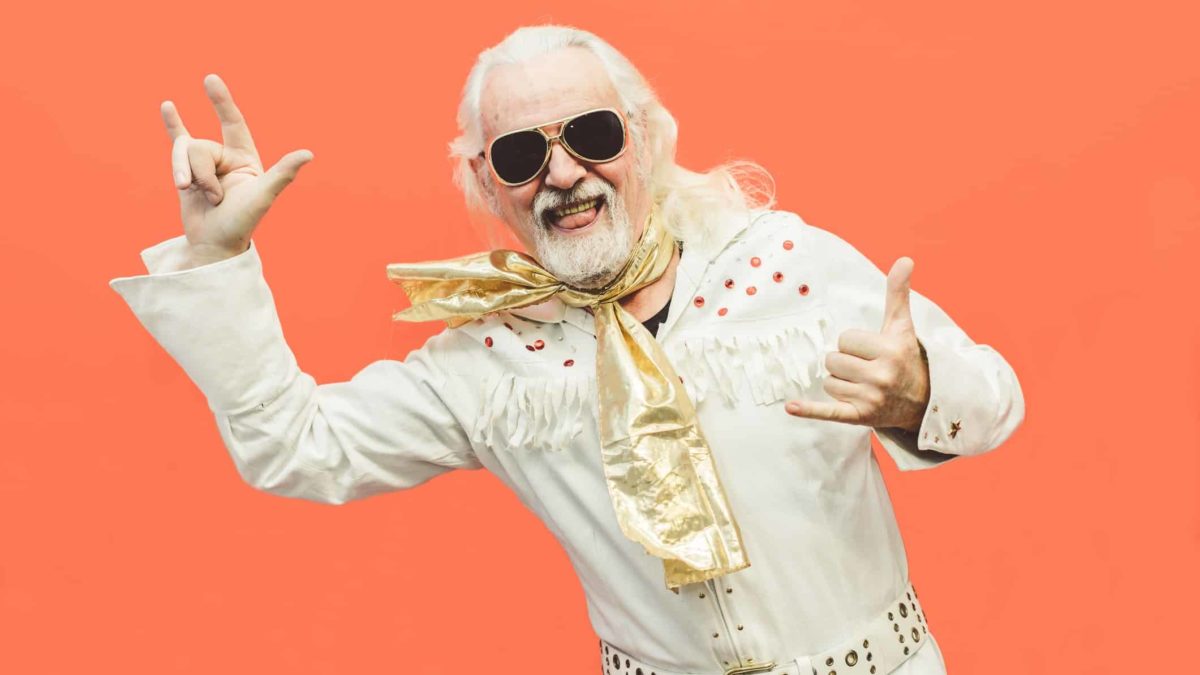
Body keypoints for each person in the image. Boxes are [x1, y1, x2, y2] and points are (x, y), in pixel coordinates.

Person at [109, 25, 1024, 675]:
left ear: (648, 140)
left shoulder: (789, 264)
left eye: (591, 134)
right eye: (519, 153)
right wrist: (218, 255)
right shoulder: (488, 364)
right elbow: (293, 445)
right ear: (486, 185)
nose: (563, 172)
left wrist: (917, 395)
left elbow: (994, 400)